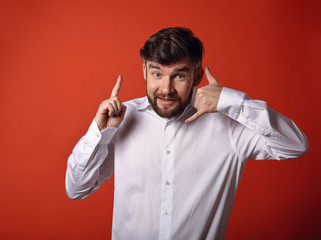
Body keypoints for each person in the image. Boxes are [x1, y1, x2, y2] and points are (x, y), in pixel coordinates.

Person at [65, 27, 308, 240]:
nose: (166, 89)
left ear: (197, 76)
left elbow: (295, 145)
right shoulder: (122, 119)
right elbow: (77, 189)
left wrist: (233, 102)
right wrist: (101, 132)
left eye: (179, 75)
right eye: (157, 73)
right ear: (144, 72)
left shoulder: (229, 124)